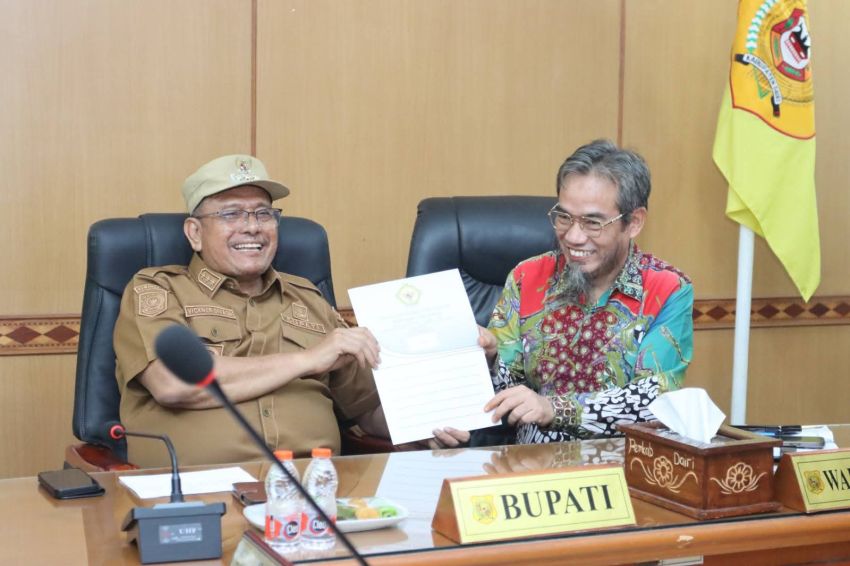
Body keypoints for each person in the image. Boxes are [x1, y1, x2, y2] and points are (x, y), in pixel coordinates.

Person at [114, 155, 388, 466]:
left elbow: (367, 411)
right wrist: (308, 360)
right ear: (194, 233)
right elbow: (173, 383)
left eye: (264, 213)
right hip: (197, 486)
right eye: (231, 214)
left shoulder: (309, 299)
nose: (253, 227)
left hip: (312, 483)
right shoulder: (158, 289)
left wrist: (423, 424)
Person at [433, 139, 694, 447]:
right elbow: (508, 393)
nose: (573, 236)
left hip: (623, 466)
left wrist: (554, 409)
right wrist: (490, 361)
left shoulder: (667, 289)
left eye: (593, 222)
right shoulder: (527, 277)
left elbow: (653, 400)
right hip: (528, 465)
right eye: (564, 217)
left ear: (633, 222)